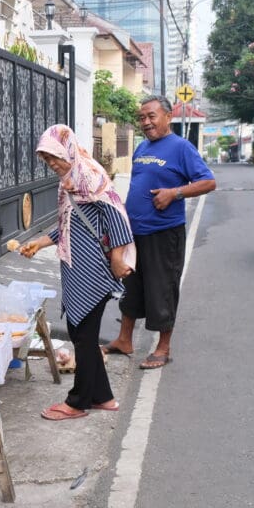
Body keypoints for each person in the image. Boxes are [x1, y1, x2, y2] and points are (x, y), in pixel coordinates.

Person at [21, 125, 136, 421]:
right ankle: (103, 396)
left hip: (94, 269)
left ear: (67, 150)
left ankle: (78, 401)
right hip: (77, 268)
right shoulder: (69, 181)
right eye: (47, 160)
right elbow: (68, 223)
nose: (52, 164)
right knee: (81, 332)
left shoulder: (88, 175)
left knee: (83, 335)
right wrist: (40, 242)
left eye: (55, 157)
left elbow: (116, 215)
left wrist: (118, 257)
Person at [103, 96, 216, 370]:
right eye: (142, 118)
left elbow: (208, 182)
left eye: (151, 116)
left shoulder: (181, 148)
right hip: (134, 233)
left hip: (164, 234)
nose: (146, 122)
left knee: (162, 289)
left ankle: (163, 348)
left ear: (167, 116)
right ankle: (124, 339)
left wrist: (174, 193)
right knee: (131, 288)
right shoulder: (141, 147)